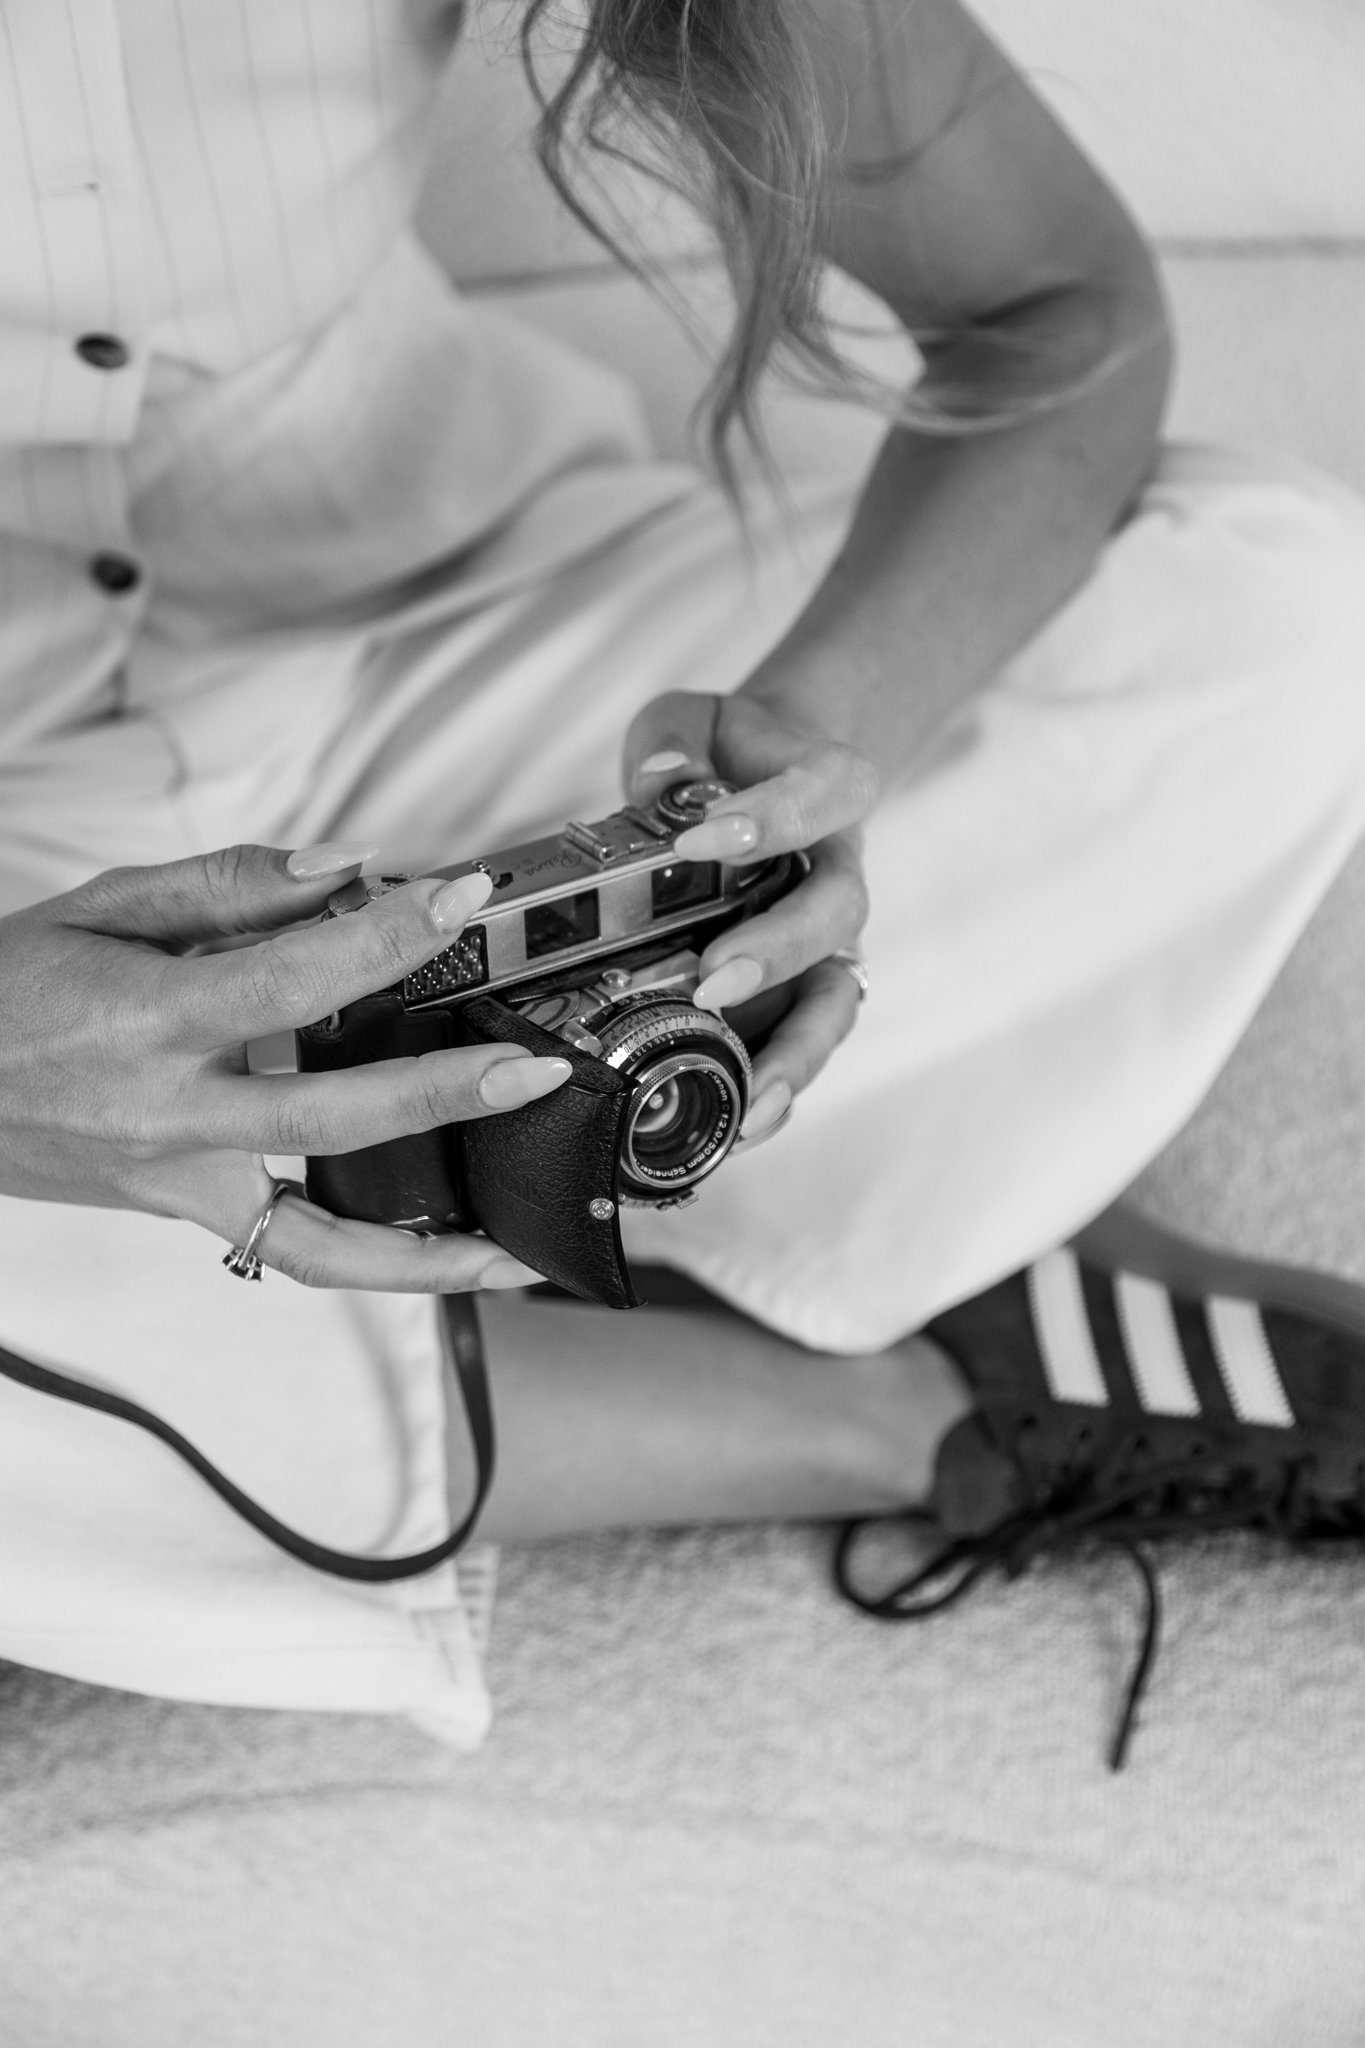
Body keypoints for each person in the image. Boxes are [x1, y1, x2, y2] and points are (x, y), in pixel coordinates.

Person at [1, 0, 1364, 1745]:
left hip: (455, 613)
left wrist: (812, 734)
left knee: (1265, 600)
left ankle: (443, 1258)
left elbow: (1051, 308)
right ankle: (872, 1398)